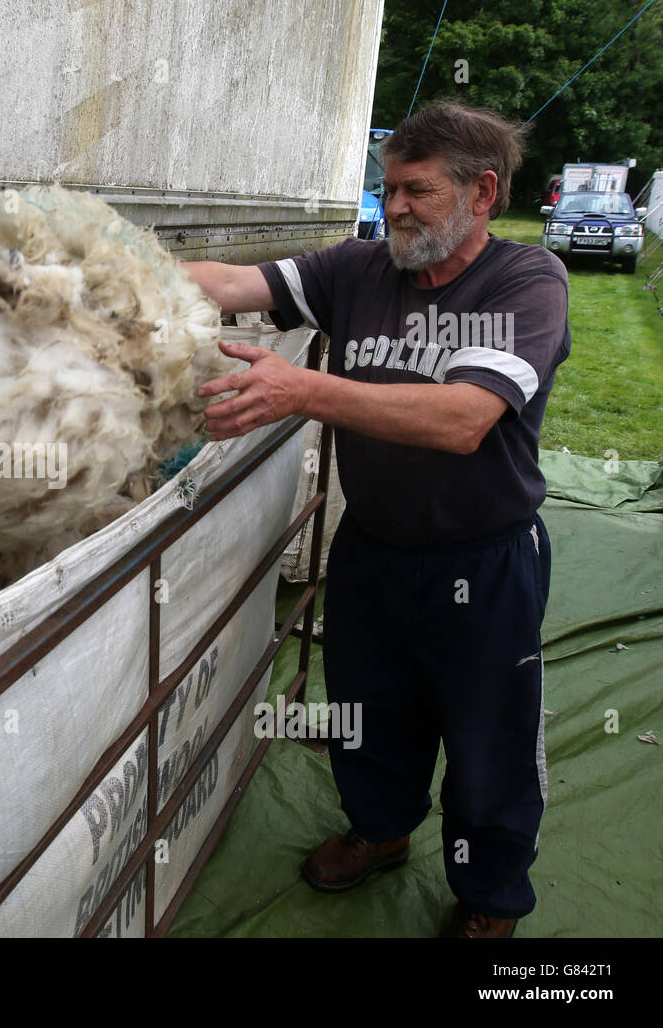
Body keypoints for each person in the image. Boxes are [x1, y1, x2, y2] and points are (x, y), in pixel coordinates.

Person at [181, 101, 570, 938]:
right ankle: (382, 830)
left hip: (484, 560)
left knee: (487, 738)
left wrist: (303, 391)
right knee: (367, 705)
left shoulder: (525, 282)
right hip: (375, 548)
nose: (390, 207)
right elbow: (225, 284)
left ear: (482, 193)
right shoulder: (358, 270)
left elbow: (465, 418)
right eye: (387, 187)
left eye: (415, 191)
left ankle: (489, 897)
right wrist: (85, 260)